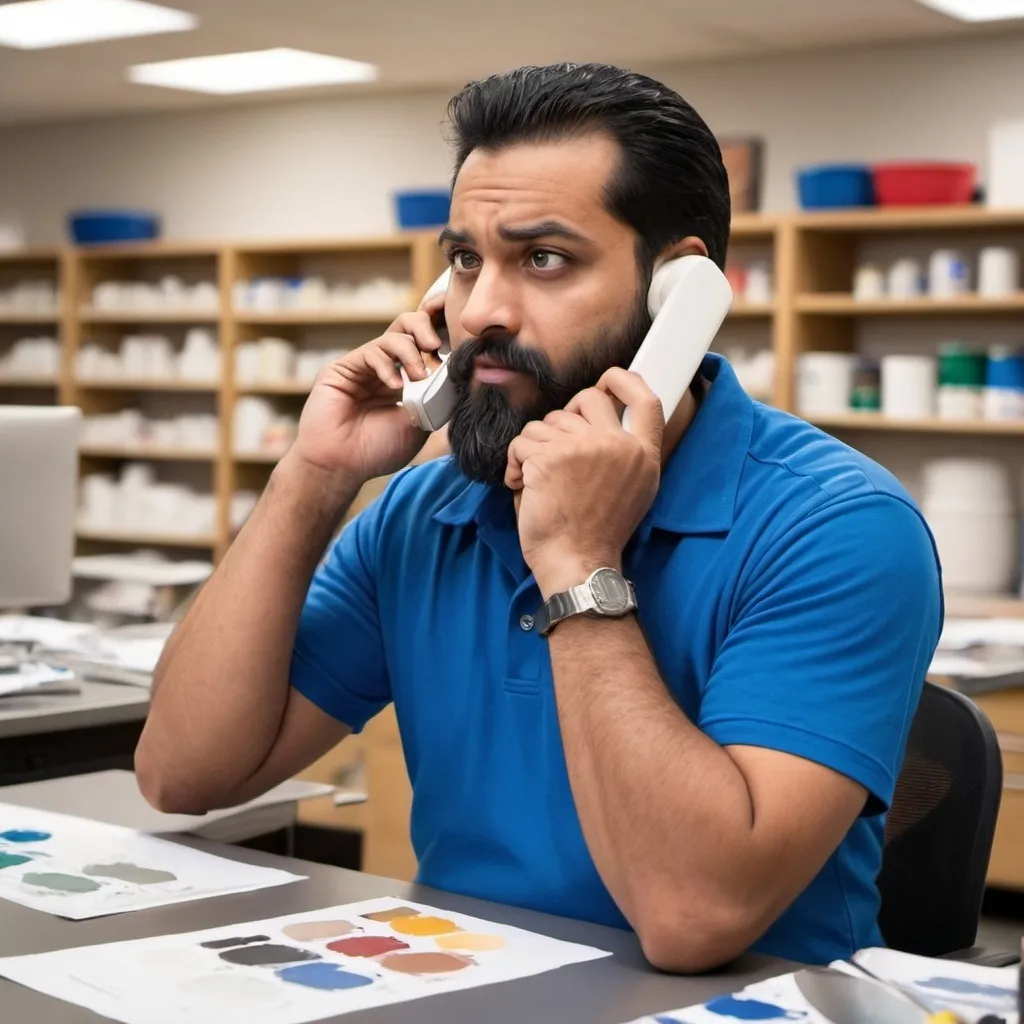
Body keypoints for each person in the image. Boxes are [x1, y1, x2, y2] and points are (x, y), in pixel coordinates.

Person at [136, 63, 942, 973]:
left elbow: (692, 919)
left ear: (681, 294)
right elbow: (182, 775)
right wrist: (314, 475)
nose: (480, 311)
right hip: (458, 984)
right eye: (467, 258)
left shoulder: (838, 527)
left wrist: (575, 559)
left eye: (543, 259)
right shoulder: (424, 508)